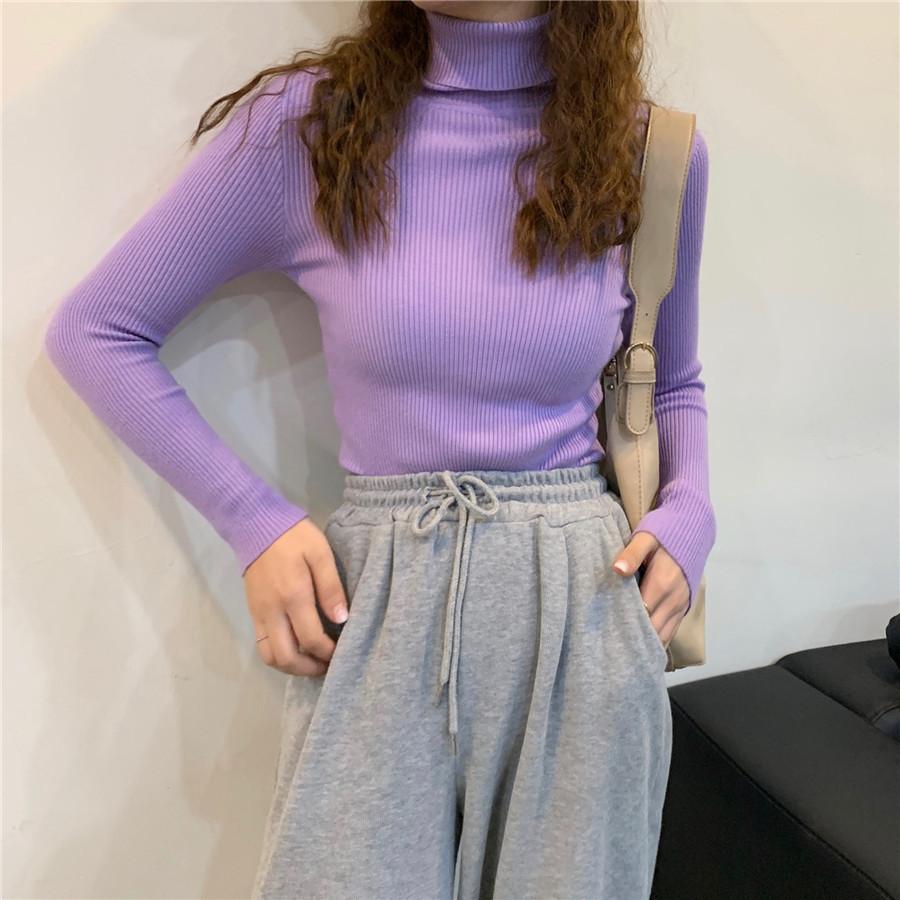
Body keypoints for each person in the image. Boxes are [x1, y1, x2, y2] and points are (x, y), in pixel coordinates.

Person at [43, 1, 716, 897]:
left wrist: (691, 514)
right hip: (383, 600)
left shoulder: (648, 151)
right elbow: (98, 330)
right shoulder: (311, 128)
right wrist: (254, 523)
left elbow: (673, 380)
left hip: (583, 605)